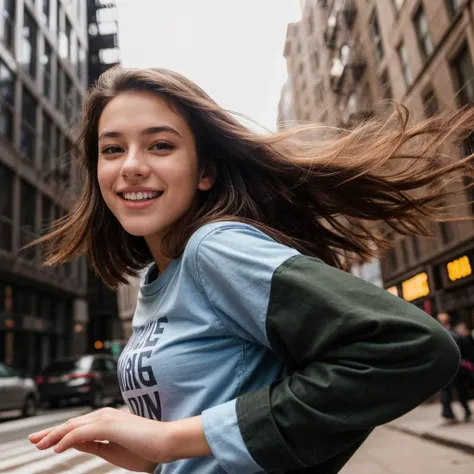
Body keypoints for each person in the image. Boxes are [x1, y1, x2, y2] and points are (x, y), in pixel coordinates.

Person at [27, 67, 473, 474]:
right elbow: (217, 432)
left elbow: (411, 347)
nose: (132, 166)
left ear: (205, 172)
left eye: (160, 145)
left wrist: (167, 440)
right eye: (112, 149)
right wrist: (153, 458)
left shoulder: (215, 249)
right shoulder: (159, 280)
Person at [437, 316, 474, 422]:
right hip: (457, 369)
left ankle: (449, 413)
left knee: (449, 392)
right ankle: (463, 411)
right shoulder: (456, 335)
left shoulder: (441, 337)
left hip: (449, 369)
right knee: (458, 391)